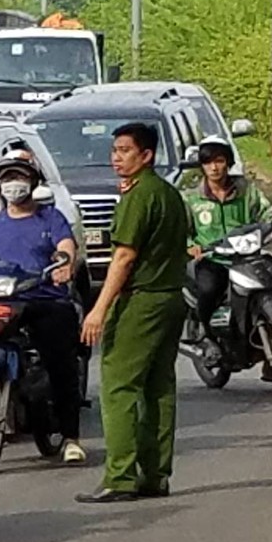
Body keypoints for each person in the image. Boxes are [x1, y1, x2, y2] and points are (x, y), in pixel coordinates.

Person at [0, 154, 87, 464]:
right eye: (8, 178)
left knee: (60, 364)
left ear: (33, 182)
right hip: (5, 303)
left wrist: (63, 263)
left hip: (46, 300)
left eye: (20, 177)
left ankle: (70, 437)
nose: (14, 184)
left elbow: (66, 245)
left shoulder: (50, 218)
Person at [78, 122, 191, 504]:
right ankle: (155, 474)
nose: (117, 158)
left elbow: (124, 256)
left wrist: (99, 309)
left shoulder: (139, 196)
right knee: (159, 387)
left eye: (125, 150)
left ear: (147, 155)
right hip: (171, 297)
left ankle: (121, 476)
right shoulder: (168, 193)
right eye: (115, 150)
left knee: (119, 385)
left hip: (141, 300)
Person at [185, 137, 272, 340]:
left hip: (247, 258)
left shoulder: (247, 190)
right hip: (212, 260)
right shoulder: (191, 197)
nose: (214, 168)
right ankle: (207, 335)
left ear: (228, 163)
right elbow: (180, 228)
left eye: (219, 161)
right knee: (208, 289)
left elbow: (266, 212)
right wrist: (190, 246)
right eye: (208, 162)